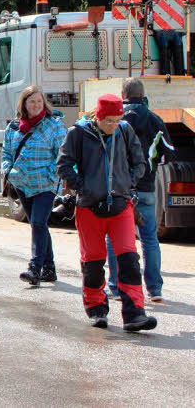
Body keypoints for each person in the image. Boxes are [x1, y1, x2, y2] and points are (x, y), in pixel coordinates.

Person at [56, 93, 157, 332]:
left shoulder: (125, 130)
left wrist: (126, 184)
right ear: (98, 117)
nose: (114, 125)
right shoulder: (78, 133)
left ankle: (135, 314)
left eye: (117, 119)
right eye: (109, 120)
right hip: (89, 208)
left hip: (121, 206)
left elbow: (140, 162)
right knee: (93, 263)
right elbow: (63, 165)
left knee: (129, 260)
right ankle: (97, 310)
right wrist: (84, 186)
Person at [107, 78, 174, 303]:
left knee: (115, 238)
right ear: (143, 94)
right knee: (150, 240)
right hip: (147, 188)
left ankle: (115, 287)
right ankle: (155, 289)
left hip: (121, 188)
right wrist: (151, 166)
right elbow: (168, 153)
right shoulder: (155, 119)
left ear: (123, 94)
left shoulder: (117, 120)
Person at [1, 86, 65, 284]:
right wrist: (8, 170)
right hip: (22, 184)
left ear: (44, 103)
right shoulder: (13, 127)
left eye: (39, 101)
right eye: (32, 102)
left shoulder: (53, 126)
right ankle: (50, 268)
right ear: (24, 105)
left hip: (45, 185)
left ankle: (34, 269)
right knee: (39, 225)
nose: (36, 105)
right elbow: (6, 153)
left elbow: (62, 154)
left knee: (38, 223)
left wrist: (50, 176)